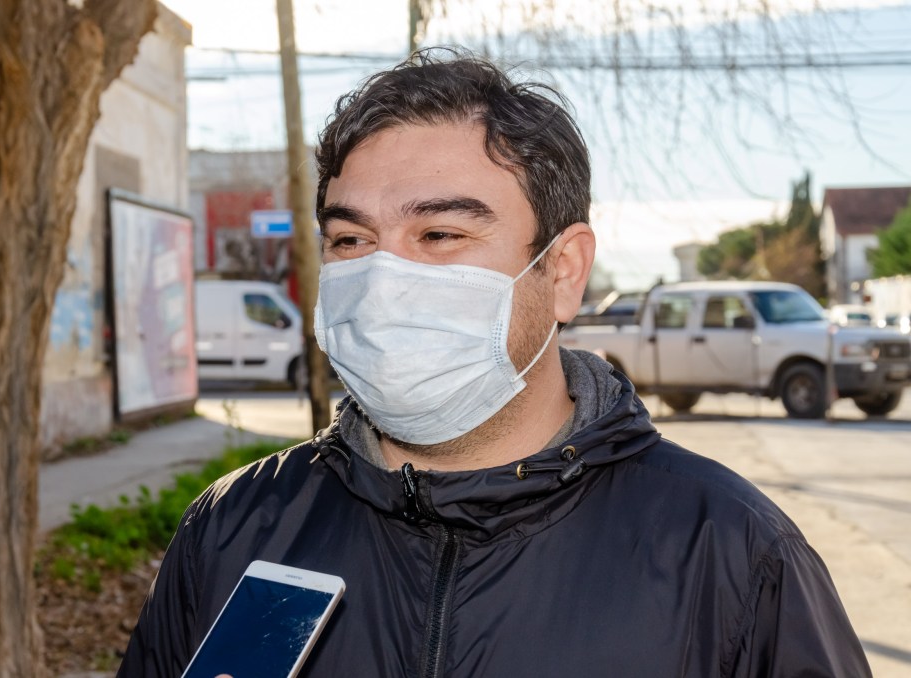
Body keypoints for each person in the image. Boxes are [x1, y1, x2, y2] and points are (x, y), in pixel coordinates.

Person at [117, 49, 870, 677]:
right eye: (351, 241)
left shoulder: (732, 556)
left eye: (440, 234)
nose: (383, 280)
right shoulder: (233, 528)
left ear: (565, 270)